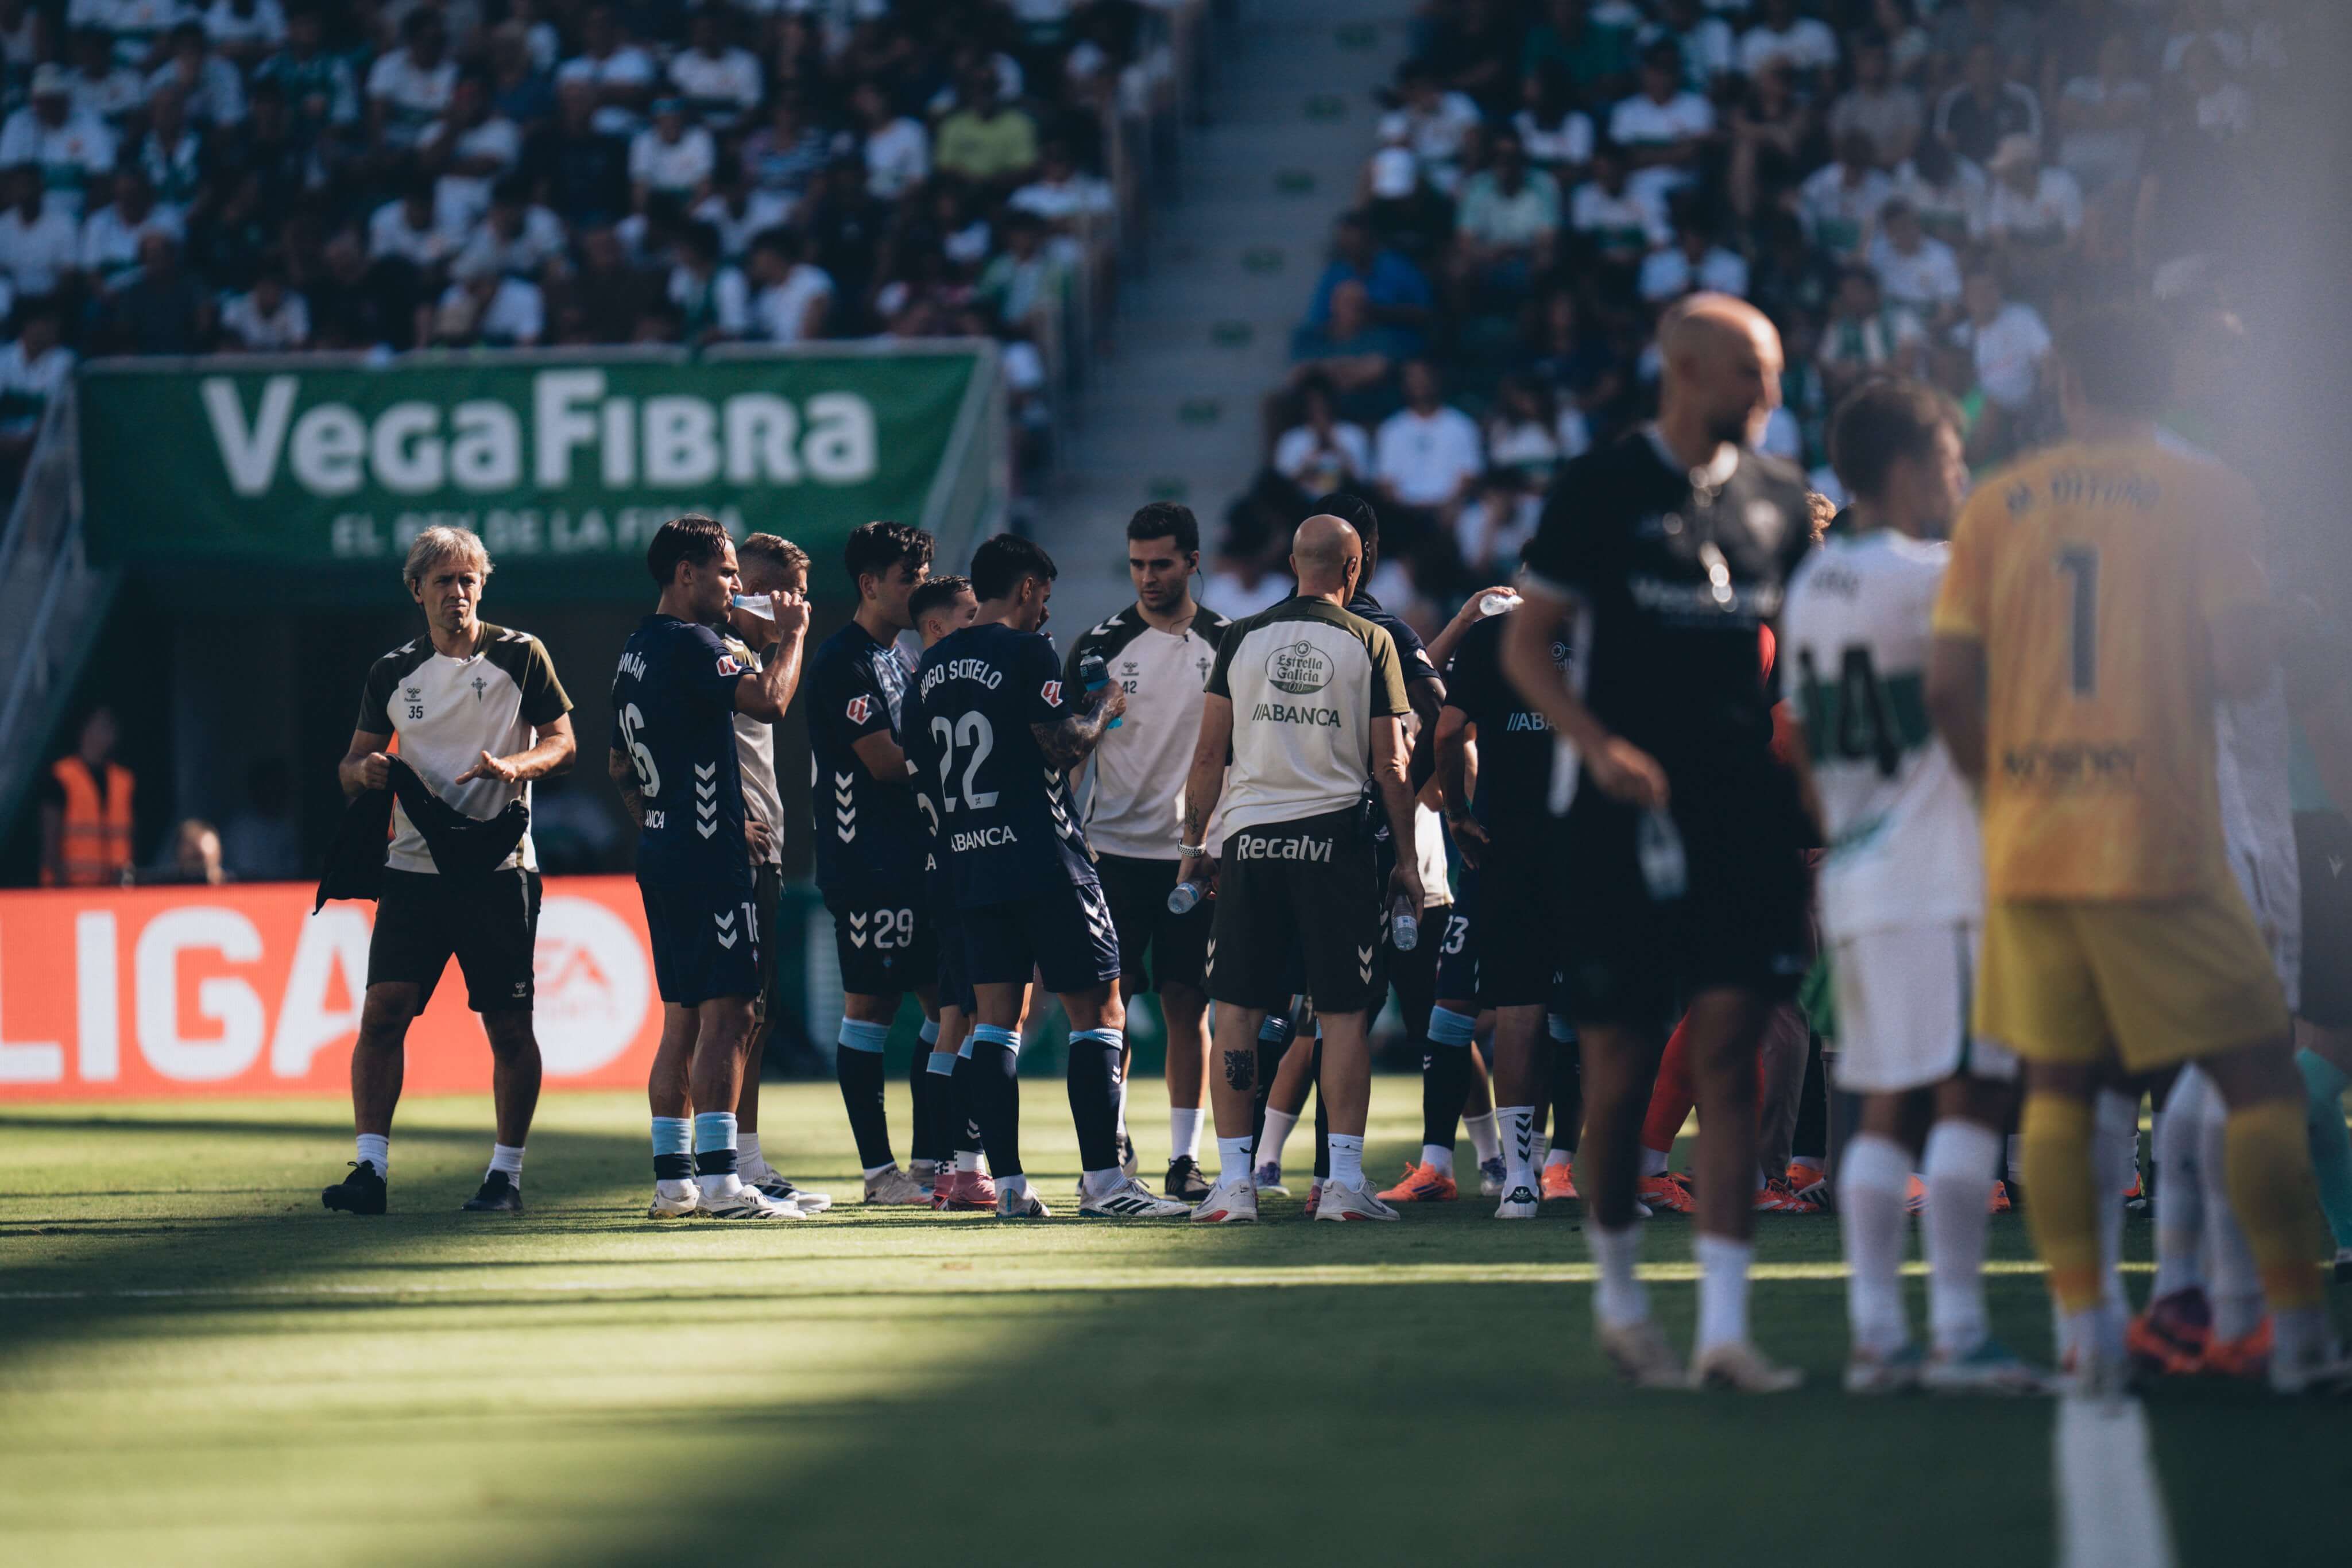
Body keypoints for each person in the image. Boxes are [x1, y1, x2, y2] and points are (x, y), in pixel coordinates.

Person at [1925, 307, 2349, 1395]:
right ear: (2166, 382)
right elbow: (2246, 662)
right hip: (2170, 829)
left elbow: (1947, 690)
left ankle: (2091, 1332)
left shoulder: (1997, 504)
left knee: (2068, 1088)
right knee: (2253, 1069)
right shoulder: (2206, 490)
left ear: (2065, 383)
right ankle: (2283, 1333)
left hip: (2038, 833)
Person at [1502, 295, 1818, 1392]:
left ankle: (1726, 1332)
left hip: (1742, 815)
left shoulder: (1778, 501)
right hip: (1616, 816)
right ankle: (1624, 1302)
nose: (1769, 396)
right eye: (1752, 373)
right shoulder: (1599, 488)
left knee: (1736, 1054)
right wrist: (1593, 744)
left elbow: (1802, 678)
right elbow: (1529, 645)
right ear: (1686, 368)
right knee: (1622, 1063)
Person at [1781, 379, 2041, 1394]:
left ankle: (1879, 1335)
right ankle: (1961, 1334)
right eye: (1946, 457)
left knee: (1886, 1103)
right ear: (1903, 468)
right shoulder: (1940, 571)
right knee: (1975, 1094)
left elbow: (1800, 740)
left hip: (1858, 874)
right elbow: (1952, 695)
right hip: (1943, 874)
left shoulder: (1811, 585)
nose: (1959, 474)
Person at [908, 534, 1186, 1221]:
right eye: (1044, 598)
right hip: (1043, 857)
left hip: (971, 863)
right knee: (1100, 1012)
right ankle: (1104, 1183)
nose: (1044, 614)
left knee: (994, 1026)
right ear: (1029, 588)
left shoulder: (929, 664)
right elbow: (1062, 744)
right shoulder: (1027, 650)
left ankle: (1006, 1186)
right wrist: (1105, 708)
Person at [323, 527, 577, 1217]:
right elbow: (351, 768)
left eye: (469, 580)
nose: (458, 593)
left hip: (500, 867)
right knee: (382, 1014)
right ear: (417, 590)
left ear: (482, 587)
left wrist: (513, 766)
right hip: (413, 867)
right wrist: (366, 771)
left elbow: (564, 742)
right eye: (444, 581)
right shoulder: (391, 672)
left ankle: (505, 1176)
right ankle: (370, 1171)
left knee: (508, 1027)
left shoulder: (521, 654)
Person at [1181, 513, 1423, 1224]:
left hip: (1251, 842)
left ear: (1293, 562)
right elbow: (1391, 765)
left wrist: (1194, 850)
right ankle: (1343, 1184)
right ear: (1354, 568)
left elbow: (1206, 758)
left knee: (1238, 1010)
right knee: (1344, 1016)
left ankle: (1233, 1187)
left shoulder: (1240, 636)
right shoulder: (1372, 639)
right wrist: (1406, 861)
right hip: (1334, 846)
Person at [611, 515, 808, 1221]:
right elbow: (771, 701)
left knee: (684, 1021)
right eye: (726, 571)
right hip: (707, 858)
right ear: (685, 574)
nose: (735, 584)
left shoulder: (636, 648)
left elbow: (618, 764)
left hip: (663, 851)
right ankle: (725, 1184)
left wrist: (667, 819)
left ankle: (676, 1182)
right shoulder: (695, 644)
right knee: (733, 1013)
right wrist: (792, 638)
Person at [1061, 504, 1233, 1202]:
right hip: (1112, 850)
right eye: (1137, 563)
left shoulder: (1228, 642)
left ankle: (1185, 1157)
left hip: (1197, 853)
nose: (1148, 576)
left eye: (1161, 563)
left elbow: (1236, 751)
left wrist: (1218, 841)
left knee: (1188, 1006)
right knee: (1113, 1004)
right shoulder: (1100, 646)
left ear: (1193, 561)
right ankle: (1115, 1145)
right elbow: (1071, 752)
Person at [803, 520, 940, 1206]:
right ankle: (878, 1173)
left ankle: (929, 1162)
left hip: (919, 860)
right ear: (870, 584)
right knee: (871, 1010)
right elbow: (884, 761)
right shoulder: (841, 659)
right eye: (908, 579)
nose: (917, 591)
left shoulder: (905, 656)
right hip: (868, 863)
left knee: (949, 1007)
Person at [1432, 593, 1580, 1219]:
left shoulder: (1495, 638)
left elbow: (1443, 729)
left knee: (1519, 1013)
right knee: (1601, 1018)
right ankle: (1587, 1170)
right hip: (1592, 849)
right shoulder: (1612, 628)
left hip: (1508, 847)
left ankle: (1519, 1181)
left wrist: (1458, 814)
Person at [718, 533, 830, 1214]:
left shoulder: (740, 655)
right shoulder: (721, 655)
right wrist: (794, 637)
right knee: (720, 1019)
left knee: (751, 1017)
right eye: (784, 596)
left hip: (761, 851)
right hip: (730, 854)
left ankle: (742, 1160)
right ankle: (711, 1165)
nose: (795, 610)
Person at [906, 574, 996, 1213]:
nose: (979, 620)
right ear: (937, 626)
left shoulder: (916, 691)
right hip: (973, 866)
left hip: (940, 863)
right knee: (972, 1018)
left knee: (950, 1019)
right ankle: (963, 1168)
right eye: (969, 613)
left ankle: (944, 1164)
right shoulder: (960, 684)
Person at [40, 707, 133, 888]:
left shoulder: (123, 780)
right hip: (72, 887)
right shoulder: (61, 777)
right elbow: (50, 840)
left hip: (116, 888)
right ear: (85, 730)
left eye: (112, 727)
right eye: (103, 726)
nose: (110, 734)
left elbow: (131, 836)